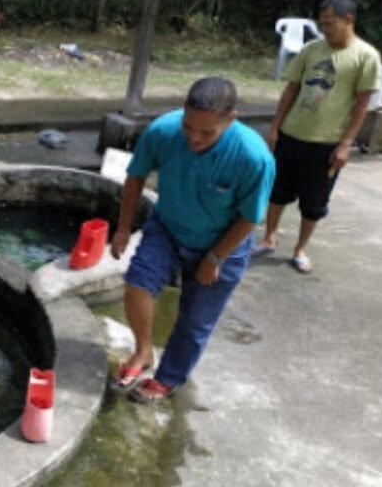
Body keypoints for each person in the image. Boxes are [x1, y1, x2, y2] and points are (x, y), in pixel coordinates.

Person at [110, 77, 275, 403]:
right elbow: (135, 177)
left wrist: (215, 258)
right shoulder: (163, 131)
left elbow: (249, 218)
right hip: (168, 227)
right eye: (189, 127)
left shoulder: (253, 157)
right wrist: (123, 228)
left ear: (231, 120)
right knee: (137, 284)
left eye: (206, 132)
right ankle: (143, 352)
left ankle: (168, 378)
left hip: (222, 243)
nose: (194, 138)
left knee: (195, 320)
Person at [254, 0, 380, 273]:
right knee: (277, 191)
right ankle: (269, 237)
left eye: (329, 23)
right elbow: (291, 90)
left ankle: (300, 249)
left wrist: (346, 144)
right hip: (291, 134)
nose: (324, 29)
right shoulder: (312, 49)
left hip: (327, 144)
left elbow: (362, 105)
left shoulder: (366, 57)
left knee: (314, 202)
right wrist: (275, 128)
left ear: (348, 20)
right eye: (322, 23)